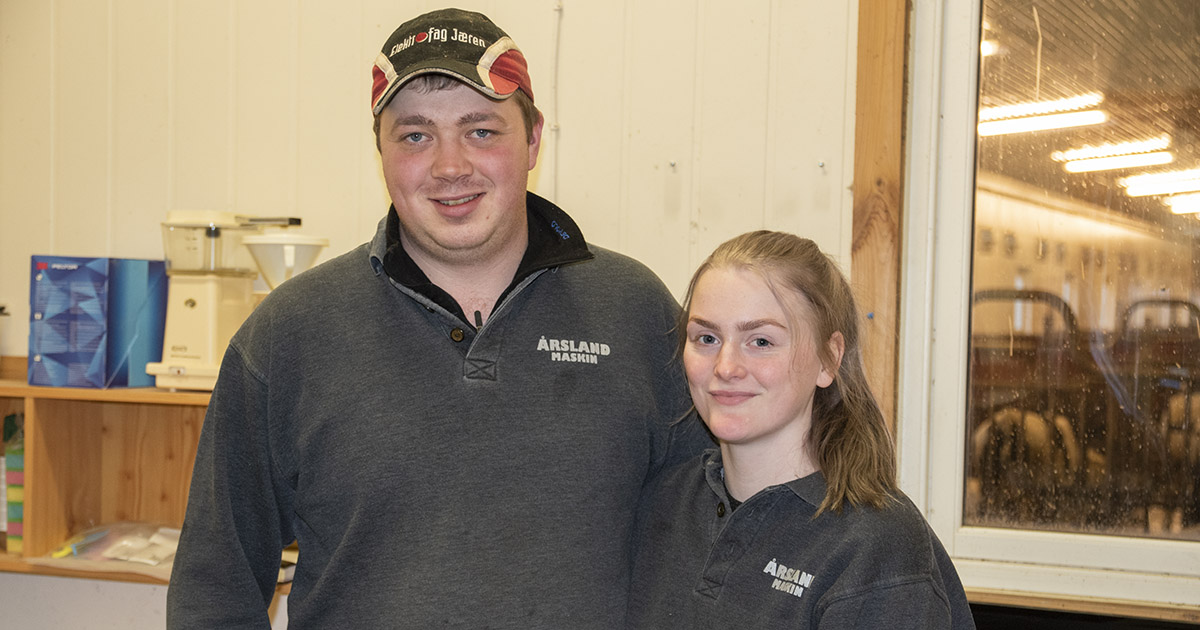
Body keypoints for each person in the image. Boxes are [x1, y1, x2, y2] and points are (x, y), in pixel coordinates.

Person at [166, 8, 706, 628]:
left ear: (533, 140)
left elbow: (709, 542)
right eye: (416, 136)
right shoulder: (288, 335)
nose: (451, 166)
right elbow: (214, 588)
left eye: (482, 130)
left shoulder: (637, 312)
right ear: (381, 149)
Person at [626, 231, 975, 629]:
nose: (725, 367)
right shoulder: (661, 503)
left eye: (761, 341)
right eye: (706, 338)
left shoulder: (876, 547)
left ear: (829, 359)